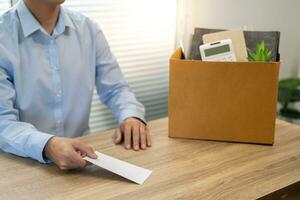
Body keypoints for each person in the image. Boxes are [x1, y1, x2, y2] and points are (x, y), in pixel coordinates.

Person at [0, 0, 152, 170]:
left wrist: (130, 116)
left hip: (83, 160)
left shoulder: (88, 29)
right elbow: (3, 122)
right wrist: (47, 145)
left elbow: (116, 88)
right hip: (21, 166)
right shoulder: (3, 37)